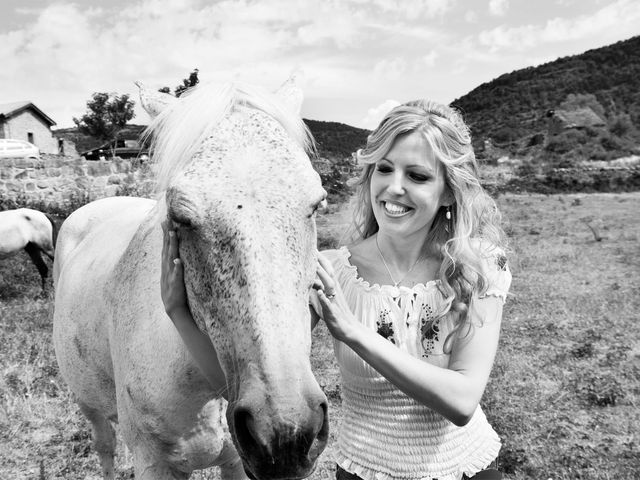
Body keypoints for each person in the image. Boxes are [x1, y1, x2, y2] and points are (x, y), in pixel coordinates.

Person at [161, 99, 511, 480]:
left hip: (467, 469)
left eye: (418, 176)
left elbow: (462, 401)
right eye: (384, 169)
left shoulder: (479, 266)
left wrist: (354, 332)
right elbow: (251, 386)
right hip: (365, 471)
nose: (394, 188)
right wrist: (178, 312)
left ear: (448, 191)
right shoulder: (329, 270)